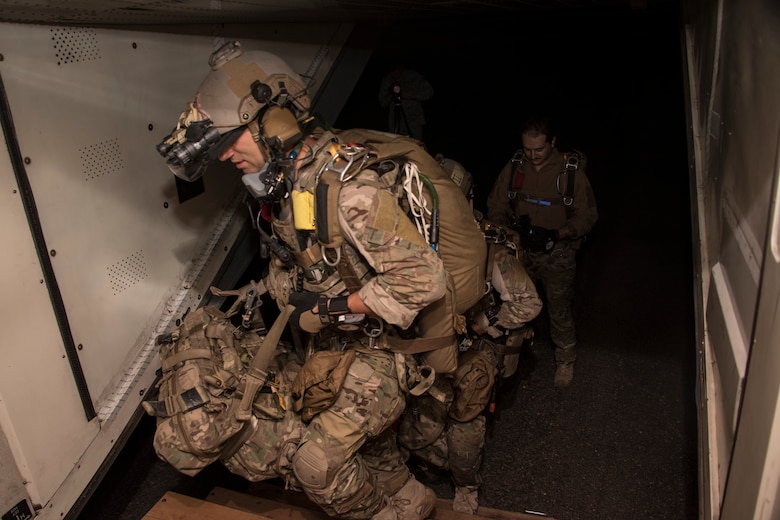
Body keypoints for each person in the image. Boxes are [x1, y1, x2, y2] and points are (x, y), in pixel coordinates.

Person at [155, 41, 465, 520]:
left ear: (273, 125)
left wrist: (331, 310)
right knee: (373, 451)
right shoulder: (287, 185)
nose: (223, 157)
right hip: (331, 348)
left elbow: (421, 280)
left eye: (230, 140)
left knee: (314, 463)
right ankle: (411, 501)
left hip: (383, 351)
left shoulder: (348, 191)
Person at [397, 219, 542, 514]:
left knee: (466, 413)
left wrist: (482, 324)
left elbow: (528, 303)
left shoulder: (490, 252)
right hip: (428, 338)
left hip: (473, 345)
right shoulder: (407, 243)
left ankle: (466, 484)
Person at [486, 115, 597, 388]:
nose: (533, 155)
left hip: (556, 254)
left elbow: (587, 216)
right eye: (528, 149)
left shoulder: (569, 174)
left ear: (552, 142)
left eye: (539, 149)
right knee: (511, 303)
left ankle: (566, 359)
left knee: (558, 310)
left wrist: (558, 233)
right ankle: (510, 358)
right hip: (521, 252)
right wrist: (507, 234)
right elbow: (496, 204)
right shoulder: (514, 169)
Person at [377, 63, 433, 140]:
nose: (394, 73)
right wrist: (389, 97)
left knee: (415, 144)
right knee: (395, 143)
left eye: (396, 70)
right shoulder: (387, 80)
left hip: (414, 119)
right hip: (395, 120)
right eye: (392, 71)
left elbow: (429, 92)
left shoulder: (414, 77)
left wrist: (411, 96)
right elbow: (382, 101)